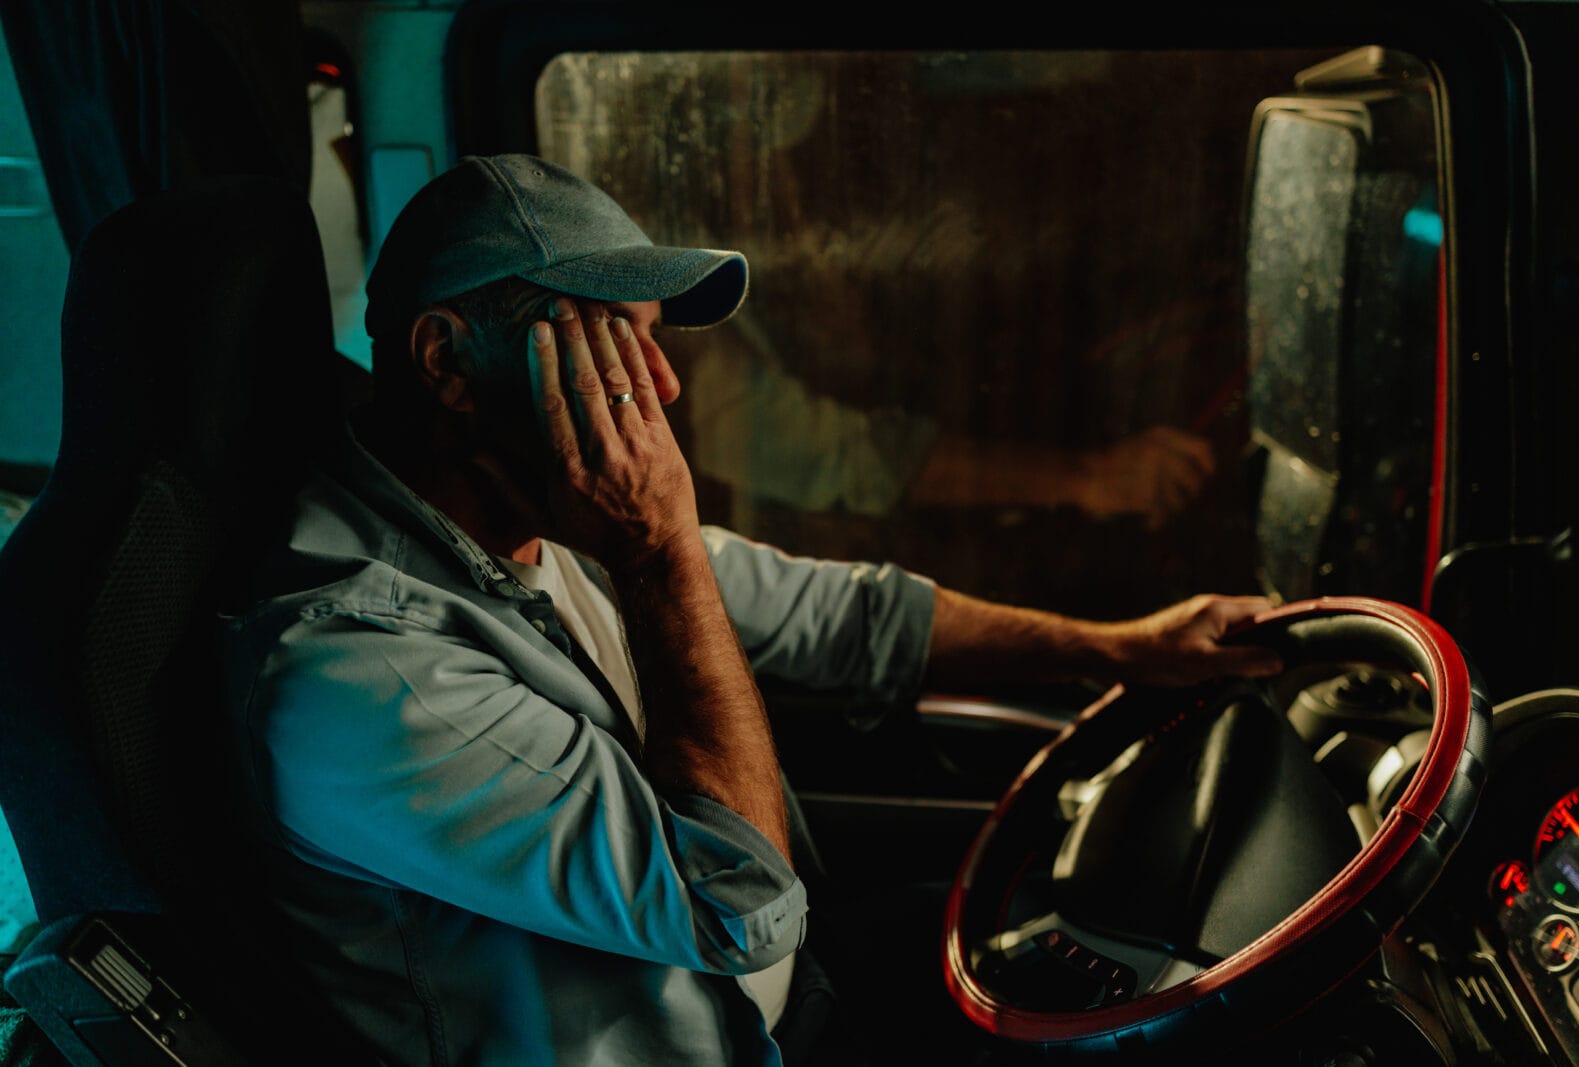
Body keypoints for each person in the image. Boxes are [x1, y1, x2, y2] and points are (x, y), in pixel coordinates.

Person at [220, 153, 1283, 1067]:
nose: (665, 391)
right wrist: (659, 545)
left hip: (785, 1006)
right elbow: (736, 905)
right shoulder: (357, 672)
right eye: (609, 348)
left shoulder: (535, 526)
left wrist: (1126, 649)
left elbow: (846, 619)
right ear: (447, 361)